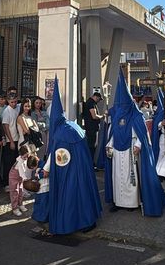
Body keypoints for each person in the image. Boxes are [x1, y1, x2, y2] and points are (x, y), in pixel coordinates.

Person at [38, 78, 102, 235]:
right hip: (83, 167)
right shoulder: (72, 125)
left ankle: (72, 222)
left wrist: (46, 169)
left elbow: (56, 154)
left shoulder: (59, 133)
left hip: (69, 170)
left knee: (71, 197)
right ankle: (89, 219)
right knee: (83, 193)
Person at [105, 73, 165, 216]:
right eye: (119, 105)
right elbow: (113, 133)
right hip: (117, 151)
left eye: (123, 105)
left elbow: (143, 133)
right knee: (117, 176)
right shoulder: (117, 116)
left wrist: (139, 145)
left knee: (130, 177)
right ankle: (117, 201)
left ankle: (131, 202)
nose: (121, 108)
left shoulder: (136, 115)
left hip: (131, 150)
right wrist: (109, 144)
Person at [9, 146, 37, 216]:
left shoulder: (23, 159)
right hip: (14, 177)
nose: (26, 158)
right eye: (25, 157)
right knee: (15, 192)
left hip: (20, 177)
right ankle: (15, 208)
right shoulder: (19, 162)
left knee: (21, 191)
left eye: (27, 156)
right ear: (21, 155)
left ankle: (20, 204)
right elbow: (21, 172)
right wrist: (26, 179)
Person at [81, 92, 104, 167]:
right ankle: (90, 164)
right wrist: (102, 116)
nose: (98, 101)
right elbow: (94, 116)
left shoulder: (90, 102)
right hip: (91, 128)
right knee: (91, 146)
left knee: (91, 145)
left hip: (90, 128)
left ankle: (90, 163)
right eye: (99, 99)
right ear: (96, 97)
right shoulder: (91, 103)